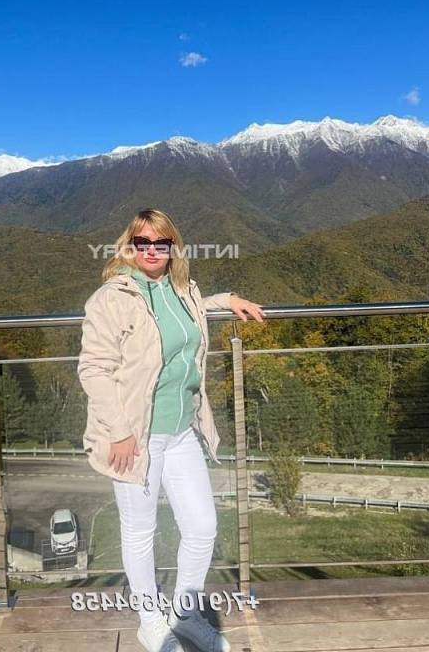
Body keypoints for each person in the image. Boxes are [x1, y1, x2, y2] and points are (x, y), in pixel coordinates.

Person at [78, 208, 265, 652]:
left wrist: (227, 300)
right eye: (141, 242)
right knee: (140, 531)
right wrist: (120, 432)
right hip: (136, 439)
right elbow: (93, 369)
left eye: (160, 243)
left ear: (172, 247)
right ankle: (150, 621)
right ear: (129, 246)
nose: (151, 250)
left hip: (183, 432)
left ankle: (184, 614)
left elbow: (189, 311)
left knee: (202, 527)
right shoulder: (110, 299)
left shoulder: (183, 289)